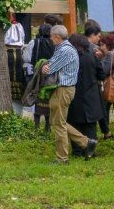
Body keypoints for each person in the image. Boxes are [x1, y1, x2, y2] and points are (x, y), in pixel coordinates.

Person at [41, 25, 93, 162]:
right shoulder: (63, 48)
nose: (51, 39)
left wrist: (44, 67)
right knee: (57, 122)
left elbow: (50, 68)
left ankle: (62, 158)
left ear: (57, 37)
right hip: (61, 89)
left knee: (58, 124)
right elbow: (50, 64)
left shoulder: (65, 50)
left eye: (52, 37)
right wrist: (46, 65)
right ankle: (86, 143)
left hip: (63, 89)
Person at [66, 33, 104, 146]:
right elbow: (101, 74)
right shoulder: (92, 56)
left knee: (74, 122)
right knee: (91, 125)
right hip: (91, 94)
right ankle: (91, 148)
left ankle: (78, 149)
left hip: (75, 94)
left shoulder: (70, 57)